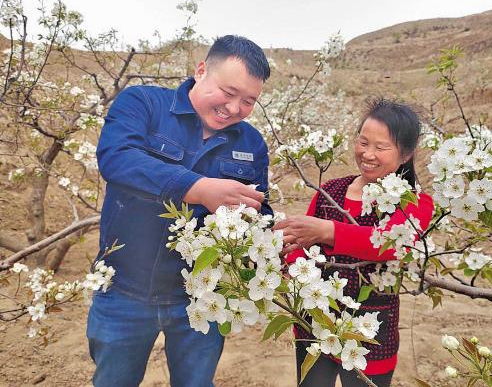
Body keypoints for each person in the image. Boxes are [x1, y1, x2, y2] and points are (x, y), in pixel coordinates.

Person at [88, 35, 272, 387]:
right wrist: (200, 189)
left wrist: (269, 232)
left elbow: (256, 207)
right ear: (201, 70)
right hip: (123, 291)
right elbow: (117, 158)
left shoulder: (251, 143)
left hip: (201, 298)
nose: (234, 109)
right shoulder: (142, 103)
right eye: (228, 93)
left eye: (248, 101)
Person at [274, 99, 434, 387]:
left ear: (406, 154)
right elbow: (300, 246)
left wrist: (328, 231)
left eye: (381, 147)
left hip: (372, 332)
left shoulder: (414, 202)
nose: (368, 154)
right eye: (363, 142)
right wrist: (290, 264)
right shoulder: (330, 191)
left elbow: (391, 244)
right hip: (316, 323)